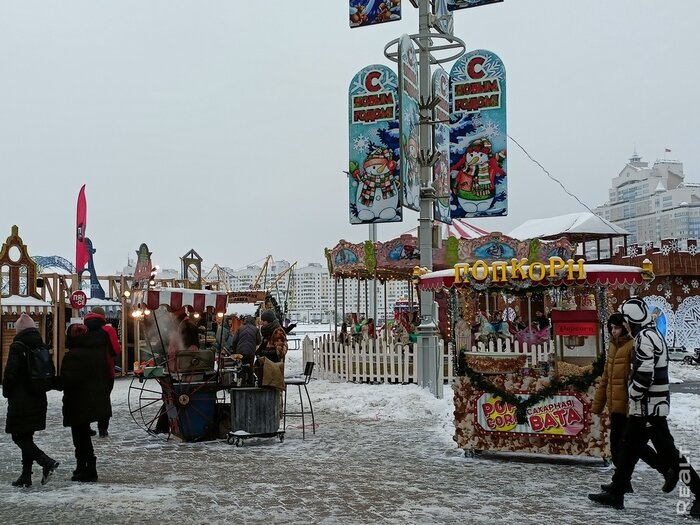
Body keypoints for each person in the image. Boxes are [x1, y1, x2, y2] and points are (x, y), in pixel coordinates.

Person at [588, 298, 700, 517]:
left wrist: (634, 393)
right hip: (648, 407)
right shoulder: (652, 334)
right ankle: (617, 490)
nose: (625, 325)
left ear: (632, 319)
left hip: (649, 408)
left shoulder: (644, 338)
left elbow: (644, 373)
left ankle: (698, 490)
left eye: (626, 320)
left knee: (670, 454)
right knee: (629, 446)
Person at [591, 313, 666, 492]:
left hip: (628, 406)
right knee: (621, 446)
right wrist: (598, 405)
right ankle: (623, 482)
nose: (613, 331)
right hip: (615, 406)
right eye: (611, 328)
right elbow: (606, 378)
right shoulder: (612, 346)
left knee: (631, 446)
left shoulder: (633, 346)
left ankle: (663, 470)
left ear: (625, 327)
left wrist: (632, 400)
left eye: (617, 328)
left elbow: (636, 376)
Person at [2, 313, 60, 487]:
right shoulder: (41, 346)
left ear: (19, 330)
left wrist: (6, 391)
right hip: (38, 397)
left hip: (20, 399)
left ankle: (46, 462)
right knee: (26, 436)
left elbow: (10, 373)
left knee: (18, 437)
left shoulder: (17, 346)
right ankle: (26, 476)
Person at [61, 322, 112, 482]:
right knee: (83, 435)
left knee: (80, 436)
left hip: (78, 400)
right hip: (95, 397)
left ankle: (88, 468)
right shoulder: (98, 351)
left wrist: (50, 382)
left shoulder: (73, 355)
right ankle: (82, 466)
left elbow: (67, 380)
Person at [84, 306, 121, 438]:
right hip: (104, 370)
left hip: (86, 370)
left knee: (86, 398)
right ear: (103, 316)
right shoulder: (108, 330)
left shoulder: (83, 329)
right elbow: (116, 350)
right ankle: (102, 429)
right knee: (104, 399)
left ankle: (86, 427)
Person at [231, 315, 261, 385]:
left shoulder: (240, 329)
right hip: (250, 352)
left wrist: (235, 351)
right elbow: (259, 341)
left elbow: (234, 341)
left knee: (241, 368)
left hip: (240, 352)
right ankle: (250, 384)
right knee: (250, 368)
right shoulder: (255, 329)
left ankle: (241, 384)